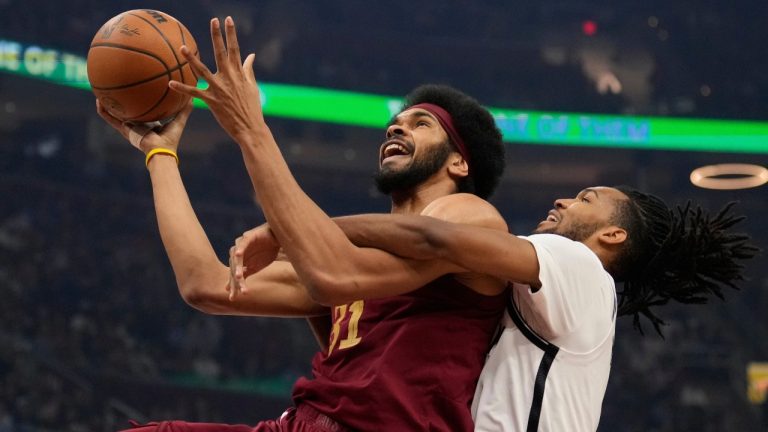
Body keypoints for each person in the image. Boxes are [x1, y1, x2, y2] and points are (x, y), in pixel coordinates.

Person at [97, 16, 509, 431]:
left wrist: (251, 129)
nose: (397, 126)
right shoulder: (345, 253)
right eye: (395, 123)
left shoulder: (471, 216)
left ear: (459, 162)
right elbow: (204, 284)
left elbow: (339, 273)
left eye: (422, 124)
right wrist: (160, 155)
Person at [294, 186, 757, 431]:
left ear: (613, 236)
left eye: (585, 199)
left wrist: (297, 229)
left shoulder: (578, 264)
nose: (562, 199)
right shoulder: (556, 294)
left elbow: (432, 237)